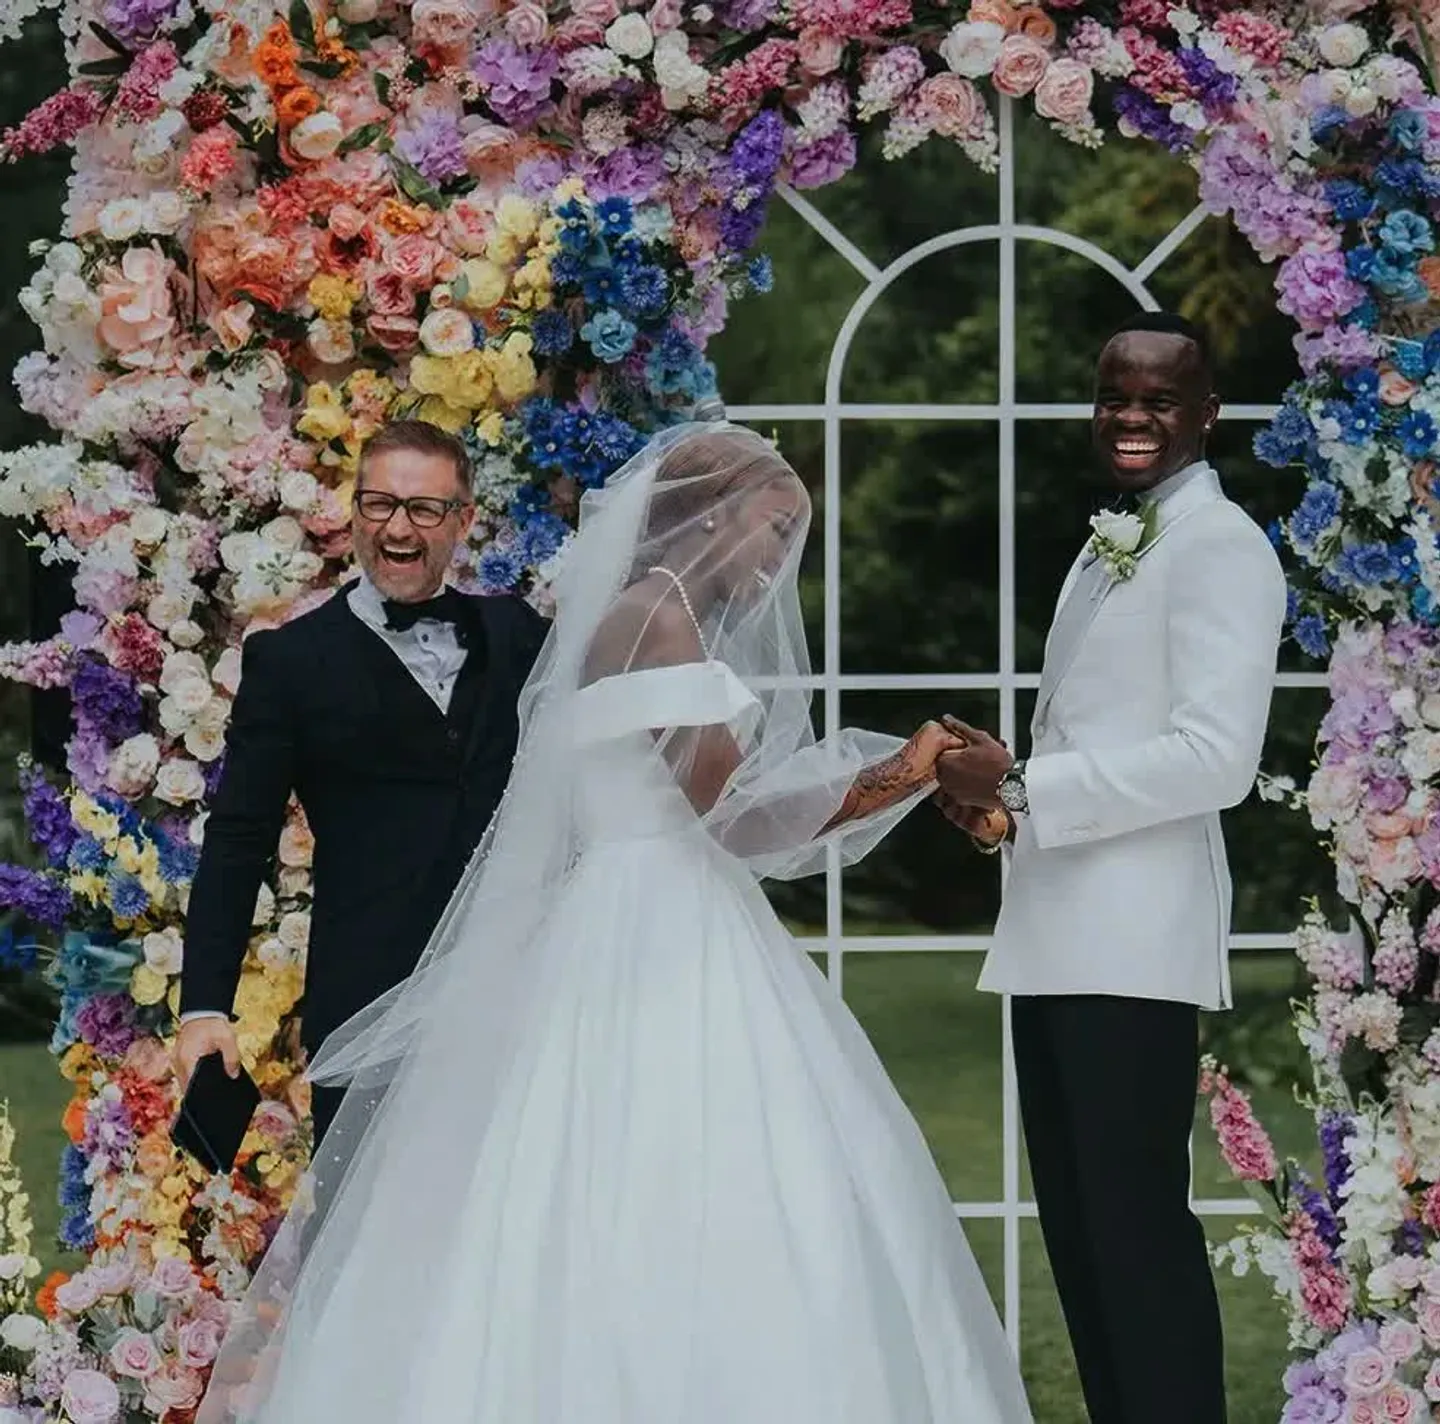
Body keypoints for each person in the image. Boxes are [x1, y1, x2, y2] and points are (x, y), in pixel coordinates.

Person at [194, 423, 1033, 1424]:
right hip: (604, 935)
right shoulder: (654, 621)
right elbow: (734, 816)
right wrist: (905, 770)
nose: (778, 560)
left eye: (427, 506)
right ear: (710, 517)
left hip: (601, 929)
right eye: (772, 529)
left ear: (462, 517)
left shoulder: (536, 632)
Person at [933, 312, 1287, 1424]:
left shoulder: (1221, 544)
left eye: (1158, 398)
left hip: (1132, 949)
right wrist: (1001, 808)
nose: (1131, 417)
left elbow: (1217, 759)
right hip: (1059, 935)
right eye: (1115, 396)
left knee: (1134, 1236)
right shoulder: (1116, 536)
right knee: (1083, 1241)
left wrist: (1029, 785)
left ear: (1206, 413)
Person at [177, 419, 548, 1145]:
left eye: (423, 508)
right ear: (355, 514)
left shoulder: (517, 635)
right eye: (379, 504)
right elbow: (239, 838)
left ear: (462, 521)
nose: (397, 527)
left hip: (516, 999)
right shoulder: (289, 662)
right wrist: (204, 1008)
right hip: (368, 1013)